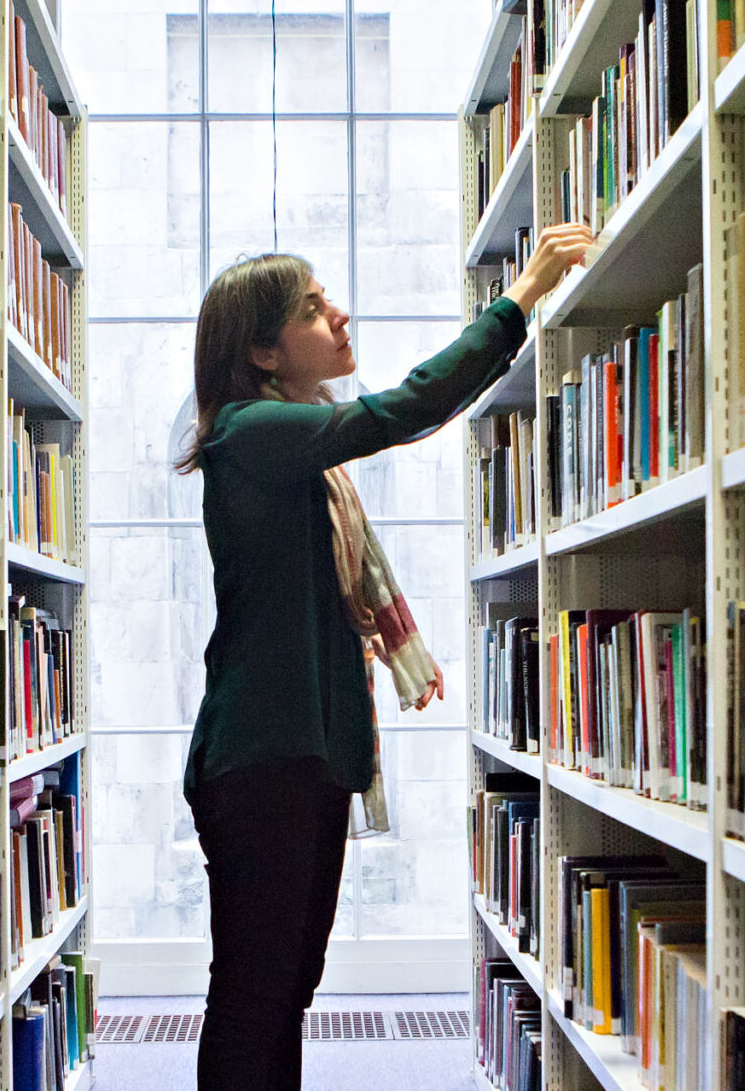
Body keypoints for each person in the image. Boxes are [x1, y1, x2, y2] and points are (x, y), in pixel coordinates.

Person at [174, 222, 594, 1091]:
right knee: (255, 993)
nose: (339, 313)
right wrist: (521, 298)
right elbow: (403, 409)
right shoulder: (251, 433)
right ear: (261, 350)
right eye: (312, 307)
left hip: (312, 757)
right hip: (261, 762)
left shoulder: (301, 454)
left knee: (285, 990)